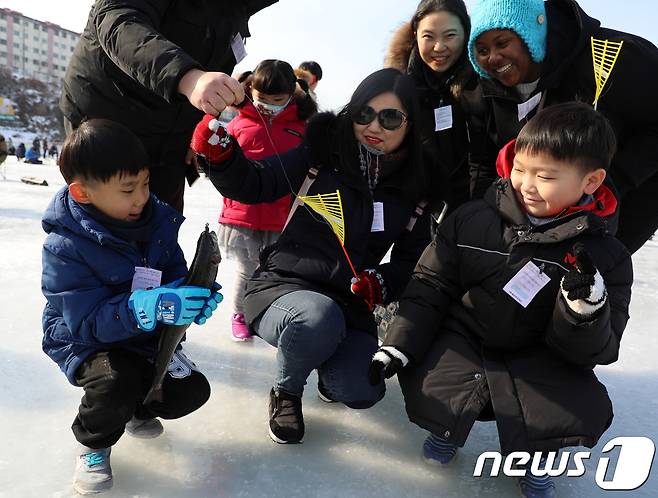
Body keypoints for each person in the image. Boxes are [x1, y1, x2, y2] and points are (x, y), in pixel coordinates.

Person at [372, 103, 632, 498]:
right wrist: (398, 342)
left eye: (545, 176)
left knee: (566, 406)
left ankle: (534, 460)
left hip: (541, 353)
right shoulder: (471, 219)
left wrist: (585, 308)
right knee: (436, 379)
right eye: (520, 168)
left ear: (591, 181)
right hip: (468, 337)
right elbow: (430, 283)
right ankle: (446, 432)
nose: (526, 184)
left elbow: (599, 348)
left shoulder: (606, 256)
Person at [191, 68, 432, 444]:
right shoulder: (321, 154)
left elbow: (410, 265)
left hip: (350, 304)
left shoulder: (416, 189)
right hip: (285, 287)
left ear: (410, 125)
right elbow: (256, 182)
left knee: (362, 390)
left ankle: (327, 371)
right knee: (317, 317)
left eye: (390, 118)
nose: (375, 126)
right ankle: (286, 392)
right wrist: (220, 157)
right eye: (364, 113)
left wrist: (382, 281)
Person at [41, 119, 223, 495]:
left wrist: (189, 298)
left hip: (142, 334)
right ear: (82, 194)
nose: (141, 197)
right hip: (86, 341)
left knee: (191, 391)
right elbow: (86, 322)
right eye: (128, 189)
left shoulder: (155, 222)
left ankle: (139, 409)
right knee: (114, 381)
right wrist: (146, 308)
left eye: (144, 183)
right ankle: (94, 443)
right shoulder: (65, 247)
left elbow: (172, 272)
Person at [463, 0, 658, 254]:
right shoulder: (486, 88)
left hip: (628, 194)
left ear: (530, 32)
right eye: (482, 49)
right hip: (545, 202)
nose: (493, 57)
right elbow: (483, 162)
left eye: (502, 43)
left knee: (589, 275)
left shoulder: (610, 57)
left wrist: (615, 179)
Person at [59, 0, 278, 214]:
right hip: (109, 122)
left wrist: (196, 125)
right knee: (107, 232)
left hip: (170, 140)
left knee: (160, 232)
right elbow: (120, 21)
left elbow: (211, 62)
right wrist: (188, 77)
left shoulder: (236, 8)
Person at [218, 59, 317, 341]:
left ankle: (263, 312)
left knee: (274, 271)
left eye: (277, 100)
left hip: (281, 214)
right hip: (242, 214)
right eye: (262, 98)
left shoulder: (301, 128)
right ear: (250, 90)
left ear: (291, 96)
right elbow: (223, 165)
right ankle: (239, 314)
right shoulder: (239, 124)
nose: (267, 105)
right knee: (246, 269)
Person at [385, 0, 475, 214]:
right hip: (414, 208)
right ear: (415, 34)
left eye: (450, 36)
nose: (439, 47)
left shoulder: (483, 83)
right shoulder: (397, 87)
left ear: (466, 32)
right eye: (429, 36)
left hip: (472, 206)